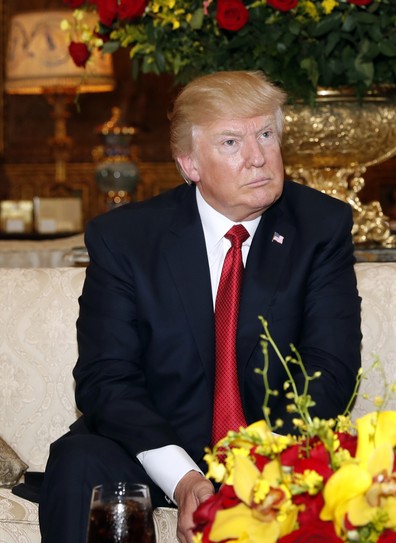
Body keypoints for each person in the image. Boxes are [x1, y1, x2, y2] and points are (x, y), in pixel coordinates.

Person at [39, 71, 362, 543]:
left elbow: (329, 373)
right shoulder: (126, 239)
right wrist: (185, 477)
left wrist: (254, 474)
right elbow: (106, 377)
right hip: (152, 450)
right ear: (189, 163)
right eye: (231, 142)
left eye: (266, 135)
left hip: (274, 449)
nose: (257, 157)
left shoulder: (320, 227)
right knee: (79, 460)